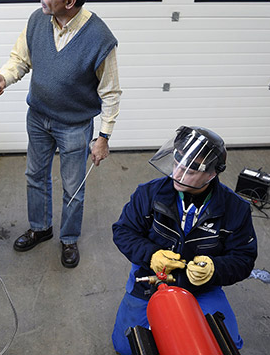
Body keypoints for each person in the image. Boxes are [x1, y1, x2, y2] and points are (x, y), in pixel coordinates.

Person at [0, 0, 121, 268]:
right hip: (39, 117)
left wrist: (104, 136)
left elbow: (110, 92)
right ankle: (41, 227)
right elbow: (21, 59)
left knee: (73, 186)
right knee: (35, 175)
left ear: (69, 1)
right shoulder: (38, 20)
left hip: (74, 125)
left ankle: (69, 239)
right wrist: (3, 77)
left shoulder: (99, 38)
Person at [110, 126, 258, 354]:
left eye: (190, 170)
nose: (177, 174)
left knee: (226, 346)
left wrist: (214, 269)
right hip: (148, 281)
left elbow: (244, 258)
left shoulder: (235, 209)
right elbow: (123, 231)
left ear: (212, 174)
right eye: (176, 162)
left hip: (201, 287)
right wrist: (152, 255)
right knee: (127, 347)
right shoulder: (148, 194)